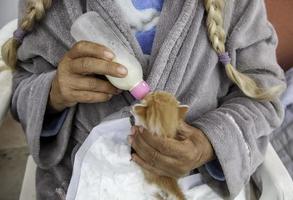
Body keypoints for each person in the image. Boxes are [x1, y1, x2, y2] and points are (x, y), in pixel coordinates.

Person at [1, 0, 286, 199]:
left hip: (194, 186)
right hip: (80, 184)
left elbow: (264, 97)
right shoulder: (54, 6)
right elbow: (23, 90)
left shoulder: (237, 5)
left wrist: (208, 144)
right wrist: (54, 93)